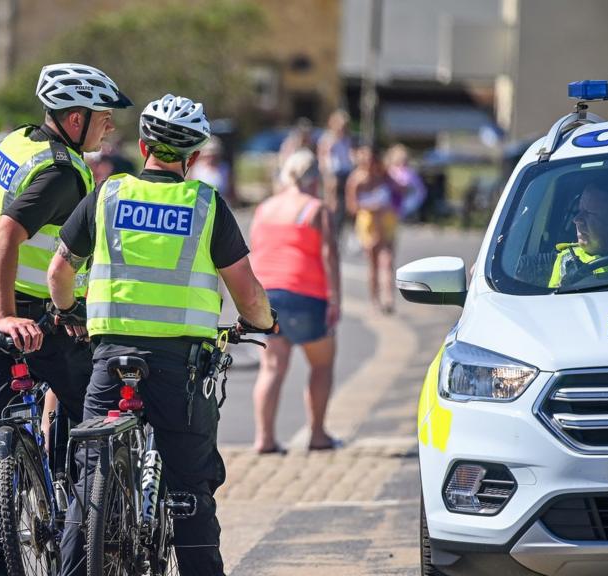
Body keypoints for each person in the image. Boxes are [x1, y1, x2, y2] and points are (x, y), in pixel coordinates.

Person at [50, 94, 277, 576]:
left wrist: (71, 312)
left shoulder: (108, 194)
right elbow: (248, 293)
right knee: (189, 493)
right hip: (180, 367)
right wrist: (261, 322)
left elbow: (58, 274)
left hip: (110, 357)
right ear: (193, 157)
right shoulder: (204, 204)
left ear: (143, 145)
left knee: (89, 483)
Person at [0, 62, 131, 576]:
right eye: (104, 117)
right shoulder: (62, 172)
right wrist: (9, 315)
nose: (110, 127)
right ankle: (80, 552)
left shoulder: (16, 142)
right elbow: (5, 236)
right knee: (95, 419)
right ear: (76, 118)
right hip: (32, 314)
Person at [249, 150, 341, 454]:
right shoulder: (315, 209)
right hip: (306, 294)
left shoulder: (265, 208)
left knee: (272, 367)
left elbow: (255, 251)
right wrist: (334, 300)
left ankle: (264, 438)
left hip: (268, 295)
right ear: (315, 179)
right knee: (321, 364)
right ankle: (317, 434)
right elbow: (329, 255)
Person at [346, 145, 400, 314]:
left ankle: (388, 297)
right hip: (368, 224)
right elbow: (352, 207)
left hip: (386, 221)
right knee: (373, 264)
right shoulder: (356, 180)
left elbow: (398, 193)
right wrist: (372, 206)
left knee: (388, 260)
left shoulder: (384, 176)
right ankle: (375, 299)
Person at [317, 110, 355, 235]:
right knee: (332, 203)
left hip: (346, 172)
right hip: (333, 173)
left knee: (345, 204)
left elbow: (349, 155)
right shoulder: (327, 139)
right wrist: (328, 175)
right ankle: (329, 230)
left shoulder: (347, 139)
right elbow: (324, 158)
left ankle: (340, 230)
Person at [385, 144, 427, 221]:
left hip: (409, 200)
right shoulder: (390, 171)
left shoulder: (409, 172)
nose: (402, 165)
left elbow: (411, 187)